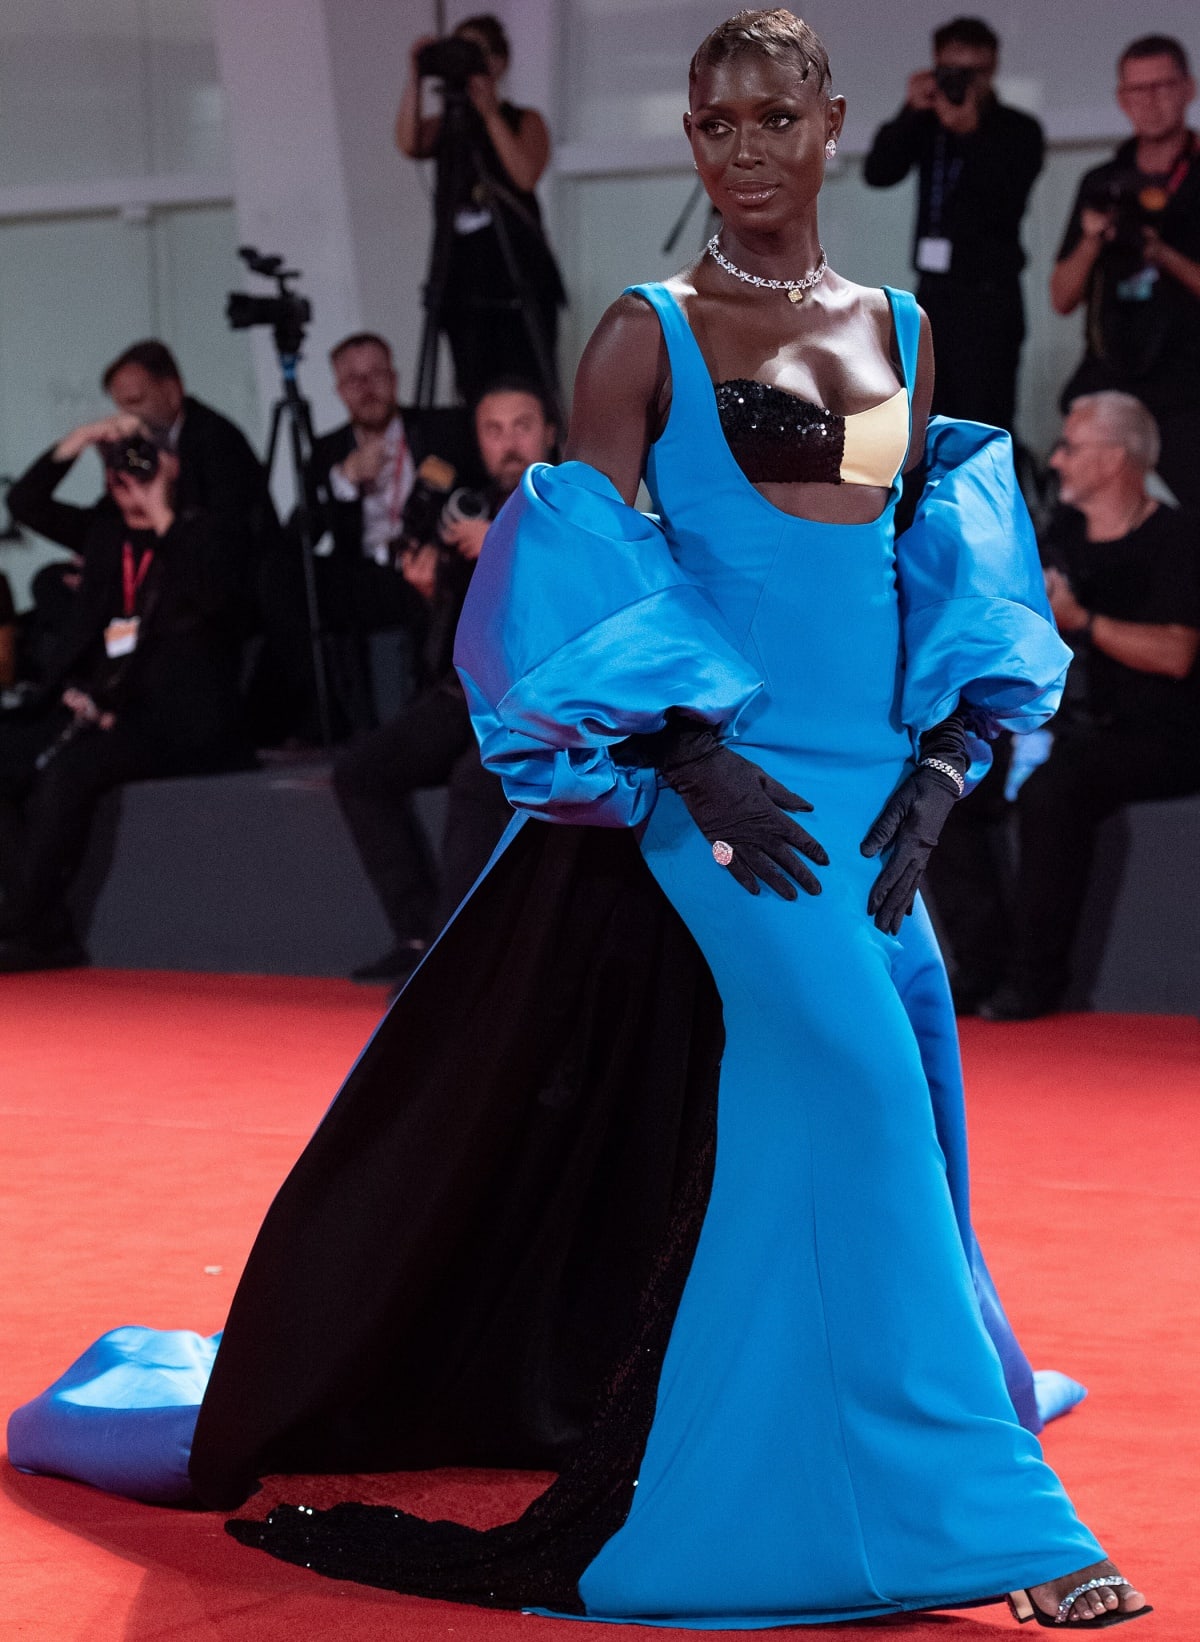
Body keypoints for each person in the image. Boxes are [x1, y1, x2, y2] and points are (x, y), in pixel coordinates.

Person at [9, 11, 1148, 1633]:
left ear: (831, 124)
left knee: (883, 1129)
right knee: (866, 1108)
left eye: (773, 119)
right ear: (691, 141)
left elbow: (929, 569)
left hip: (877, 807)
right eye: (713, 126)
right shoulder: (643, 335)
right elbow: (571, 586)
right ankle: (1003, 1524)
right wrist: (690, 764)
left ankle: (794, 1467)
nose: (744, 153)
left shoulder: (903, 324)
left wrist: (951, 771)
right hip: (735, 811)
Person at [977, 392, 1200, 1021]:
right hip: (1064, 726)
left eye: (1072, 446)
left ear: (1115, 457)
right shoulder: (1061, 536)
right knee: (953, 776)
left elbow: (1176, 653)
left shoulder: (1180, 537)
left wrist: (1082, 621)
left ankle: (1033, 980)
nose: (1057, 459)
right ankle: (977, 967)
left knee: (1055, 793)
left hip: (1164, 735)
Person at [0, 417, 248, 971]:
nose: (126, 474)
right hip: (95, 703)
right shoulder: (105, 532)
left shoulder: (204, 531)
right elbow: (26, 503)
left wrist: (161, 512)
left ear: (173, 465)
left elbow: (214, 600)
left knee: (68, 771)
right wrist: (80, 441)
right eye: (117, 463)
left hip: (174, 720)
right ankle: (40, 925)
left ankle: (19, 924)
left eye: (142, 460)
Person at [334, 378, 555, 983]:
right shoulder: (468, 506)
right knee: (360, 772)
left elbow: (572, 605)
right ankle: (417, 934)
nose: (509, 443)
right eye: (494, 429)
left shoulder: (573, 505)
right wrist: (431, 591)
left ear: (551, 433)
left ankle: (450, 960)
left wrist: (505, 545)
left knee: (474, 782)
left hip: (534, 699)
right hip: (463, 692)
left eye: (522, 425)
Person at [863, 16, 1043, 432]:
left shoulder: (1018, 130)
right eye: (951, 71)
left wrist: (970, 133)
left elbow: (1005, 202)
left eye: (973, 73)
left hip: (990, 298)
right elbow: (878, 172)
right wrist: (909, 110)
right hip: (933, 296)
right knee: (927, 416)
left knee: (985, 420)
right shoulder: (928, 123)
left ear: (993, 69)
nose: (963, 82)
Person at [1052, 35, 1200, 510]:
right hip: (1111, 369)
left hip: (1186, 378)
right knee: (1083, 508)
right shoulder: (1103, 181)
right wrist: (1095, 239)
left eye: (1162, 86)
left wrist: (1162, 254)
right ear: (1121, 99)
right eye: (1137, 90)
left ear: (1188, 89)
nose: (1149, 101)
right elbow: (1061, 297)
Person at [396, 13, 565, 407]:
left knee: (530, 382)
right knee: (472, 385)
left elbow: (524, 175)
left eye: (475, 53)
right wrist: (415, 75)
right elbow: (407, 143)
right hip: (462, 272)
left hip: (516, 265)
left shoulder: (523, 119)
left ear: (499, 61)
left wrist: (489, 112)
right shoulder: (447, 126)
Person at [102, 339, 278, 562]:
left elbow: (225, 534)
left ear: (172, 392)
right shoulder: (142, 444)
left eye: (135, 401)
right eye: (121, 407)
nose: (126, 416)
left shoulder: (215, 438)